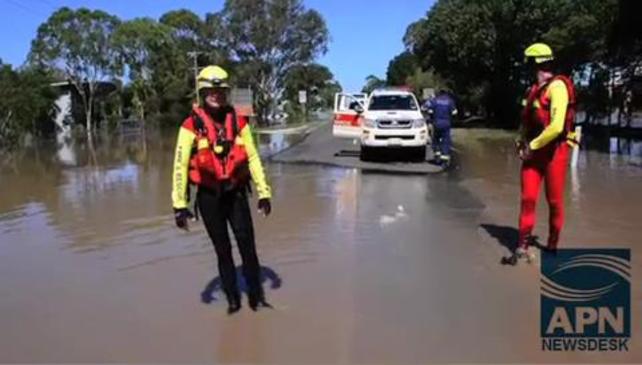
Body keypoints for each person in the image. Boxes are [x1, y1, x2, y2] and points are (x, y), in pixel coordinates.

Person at [171, 65, 273, 313]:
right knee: (223, 250)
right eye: (210, 90)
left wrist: (264, 192)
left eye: (220, 91)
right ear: (202, 93)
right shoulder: (190, 126)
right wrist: (179, 206)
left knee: (247, 245)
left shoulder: (239, 122)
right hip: (208, 198)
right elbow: (180, 165)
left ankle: (256, 297)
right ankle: (233, 301)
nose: (216, 95)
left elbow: (252, 158)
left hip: (236, 193)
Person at [514, 43, 577, 262]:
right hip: (534, 152)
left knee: (554, 201)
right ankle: (521, 244)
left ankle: (552, 245)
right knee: (528, 198)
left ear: (536, 63)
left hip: (554, 152)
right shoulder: (532, 90)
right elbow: (526, 120)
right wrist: (521, 140)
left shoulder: (557, 87)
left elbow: (557, 127)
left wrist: (533, 145)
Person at [425, 89, 457, 167]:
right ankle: (444, 160)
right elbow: (454, 112)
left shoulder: (435, 101)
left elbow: (429, 111)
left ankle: (437, 157)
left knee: (436, 140)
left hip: (436, 123)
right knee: (445, 141)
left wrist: (431, 120)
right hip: (446, 124)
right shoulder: (450, 101)